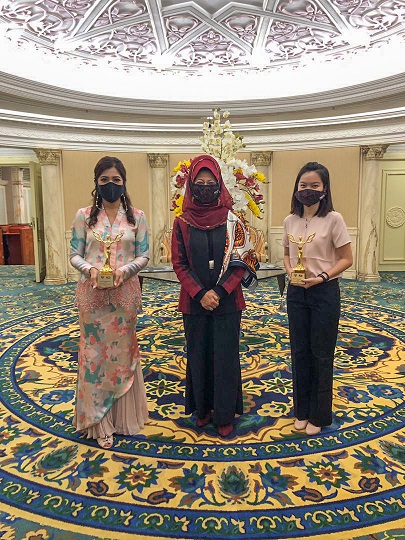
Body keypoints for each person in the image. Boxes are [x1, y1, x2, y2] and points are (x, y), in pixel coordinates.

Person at [171, 154, 259, 438]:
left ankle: (223, 413)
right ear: (191, 186)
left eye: (211, 182)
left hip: (228, 302)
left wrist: (219, 292)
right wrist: (200, 293)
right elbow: (179, 263)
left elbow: (242, 260)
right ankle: (203, 409)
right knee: (198, 355)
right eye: (200, 183)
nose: (205, 187)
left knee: (225, 356)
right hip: (194, 304)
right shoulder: (182, 221)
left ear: (219, 184)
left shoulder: (234, 220)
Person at [70, 156, 149, 448]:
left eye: (116, 180)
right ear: (96, 183)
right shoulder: (84, 215)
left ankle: (124, 417)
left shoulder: (136, 217)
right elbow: (74, 254)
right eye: (104, 180)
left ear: (124, 183)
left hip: (124, 294)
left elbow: (144, 254)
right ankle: (97, 421)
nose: (111, 185)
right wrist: (90, 269)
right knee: (94, 356)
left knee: (121, 354)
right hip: (92, 295)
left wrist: (124, 271)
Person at [283, 161, 353, 436]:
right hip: (297, 291)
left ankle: (319, 414)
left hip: (324, 292)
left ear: (324, 189)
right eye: (303, 185)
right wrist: (290, 272)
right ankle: (301, 410)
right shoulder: (290, 220)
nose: (308, 190)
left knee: (321, 353)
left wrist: (322, 277)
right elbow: (288, 254)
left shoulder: (334, 219)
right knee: (299, 351)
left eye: (314, 186)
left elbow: (347, 259)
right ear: (296, 188)